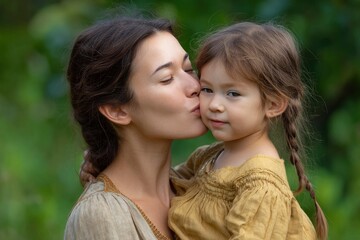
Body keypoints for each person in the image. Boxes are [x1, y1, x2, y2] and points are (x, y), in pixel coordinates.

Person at [168, 22, 328, 240]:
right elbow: (161, 186)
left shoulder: (261, 185)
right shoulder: (209, 156)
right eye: (207, 89)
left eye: (232, 94)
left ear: (273, 105)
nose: (214, 104)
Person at [64, 14, 207, 240]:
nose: (195, 86)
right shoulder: (100, 215)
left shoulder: (201, 184)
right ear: (117, 110)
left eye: (189, 69)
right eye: (167, 78)